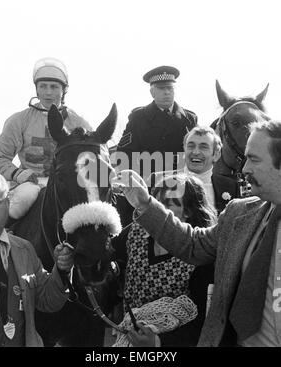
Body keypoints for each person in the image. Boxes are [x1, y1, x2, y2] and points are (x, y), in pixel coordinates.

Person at [111, 119, 281, 347]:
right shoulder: (240, 213)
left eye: (254, 159)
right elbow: (194, 245)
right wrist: (145, 203)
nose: (244, 169)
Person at [113, 173, 217, 347]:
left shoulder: (202, 258)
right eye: (156, 202)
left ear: (188, 211)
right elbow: (108, 259)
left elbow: (203, 323)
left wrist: (158, 342)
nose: (157, 211)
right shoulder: (134, 233)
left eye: (167, 205)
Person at [0, 57, 92, 219]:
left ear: (63, 90)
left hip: (67, 184)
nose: (48, 92)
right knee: (24, 198)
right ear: (36, 89)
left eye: (54, 87)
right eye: (43, 86)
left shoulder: (79, 123)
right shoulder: (19, 120)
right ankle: (4, 235)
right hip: (30, 184)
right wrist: (17, 173)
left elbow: (91, 160)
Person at [0, 171, 74, 347]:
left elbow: (48, 300)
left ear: (7, 204)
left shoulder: (25, 249)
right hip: (27, 183)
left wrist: (61, 270)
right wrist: (20, 173)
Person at [116, 65, 197, 181]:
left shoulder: (189, 119)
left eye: (170, 88)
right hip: (148, 185)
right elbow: (124, 155)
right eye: (161, 88)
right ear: (152, 92)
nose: (167, 92)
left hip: (182, 185)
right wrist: (139, 183)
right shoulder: (138, 118)